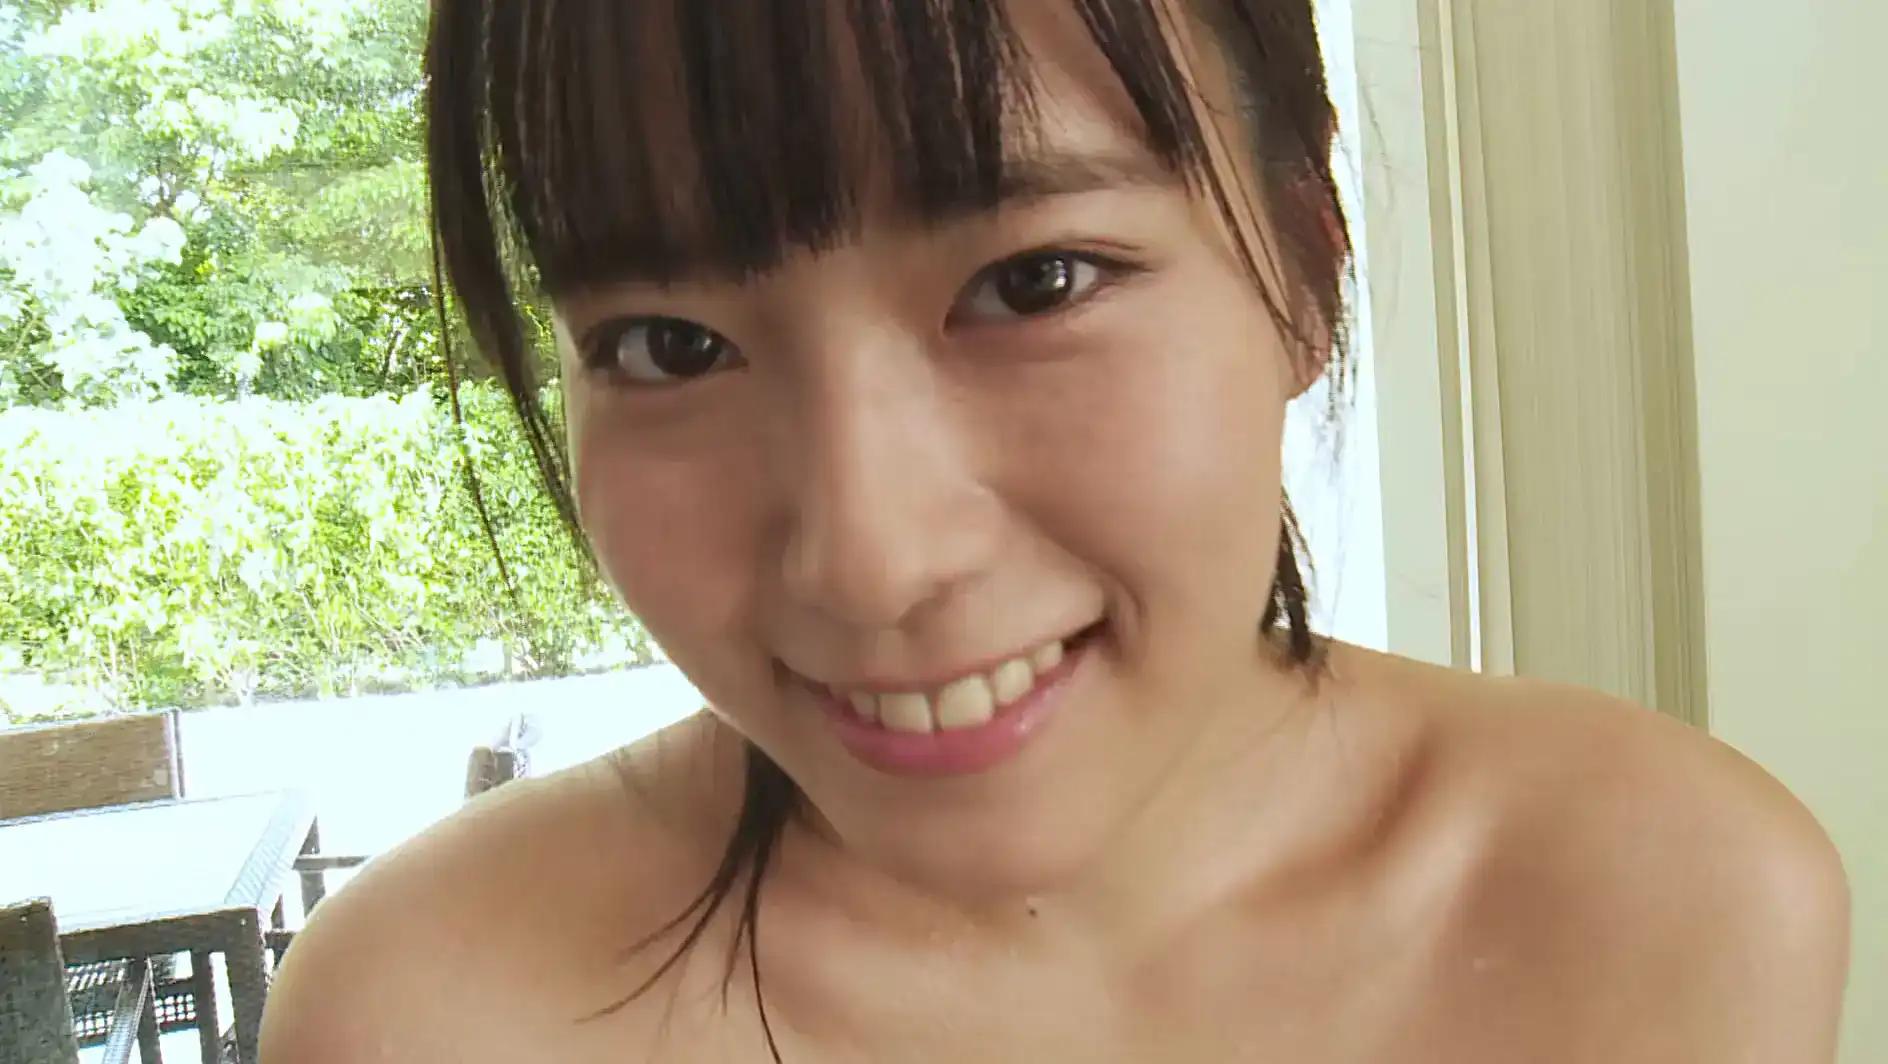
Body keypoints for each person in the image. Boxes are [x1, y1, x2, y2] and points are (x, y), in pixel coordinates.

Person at [260, 1, 1851, 1061]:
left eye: (1038, 282)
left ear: (1305, 271)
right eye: (670, 346)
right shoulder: (436, 1013)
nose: (871, 561)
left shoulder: (1662, 908)